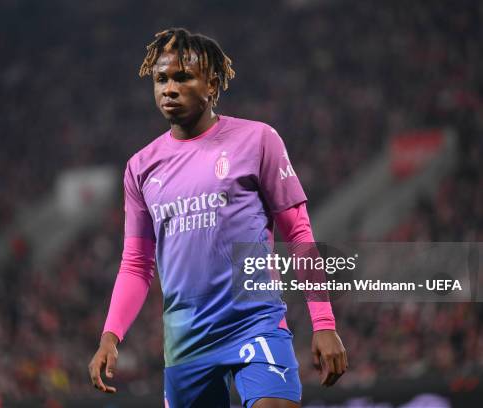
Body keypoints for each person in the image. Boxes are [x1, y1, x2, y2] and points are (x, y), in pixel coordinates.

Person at [88, 28, 347, 408]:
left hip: (255, 324)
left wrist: (324, 324)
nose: (169, 88)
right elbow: (136, 265)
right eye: (161, 79)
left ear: (211, 83)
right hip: (186, 341)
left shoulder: (258, 140)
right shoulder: (140, 168)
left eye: (182, 77)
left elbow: (299, 233)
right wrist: (110, 336)